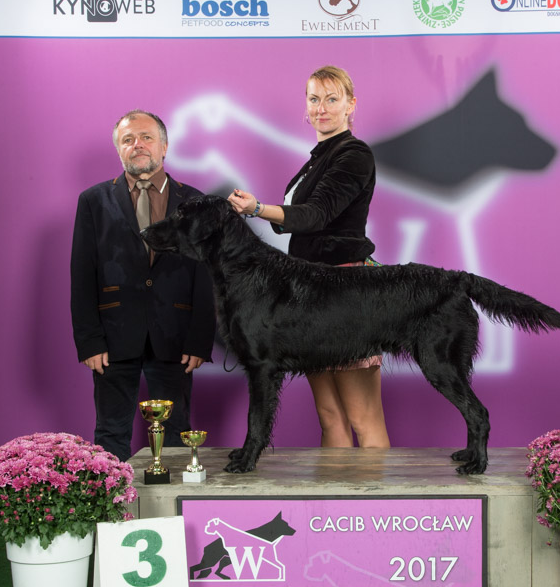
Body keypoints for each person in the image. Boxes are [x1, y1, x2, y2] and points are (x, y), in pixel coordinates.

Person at [228, 66, 390, 449]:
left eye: (332, 99)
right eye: (315, 99)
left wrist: (257, 209)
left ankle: (374, 491)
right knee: (330, 416)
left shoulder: (354, 154)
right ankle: (335, 491)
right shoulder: (317, 159)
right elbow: (299, 221)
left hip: (347, 293)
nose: (322, 108)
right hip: (309, 292)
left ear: (351, 105)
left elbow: (315, 215)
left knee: (363, 418)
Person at [70, 110, 216, 461]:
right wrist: (90, 341)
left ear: (164, 146)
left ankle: (174, 497)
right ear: (119, 150)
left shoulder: (196, 202)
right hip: (112, 336)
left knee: (177, 433)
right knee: (110, 432)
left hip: (176, 336)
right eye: (128, 139)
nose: (137, 145)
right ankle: (114, 498)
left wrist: (199, 339)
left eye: (146, 137)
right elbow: (82, 274)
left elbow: (206, 274)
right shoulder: (93, 201)